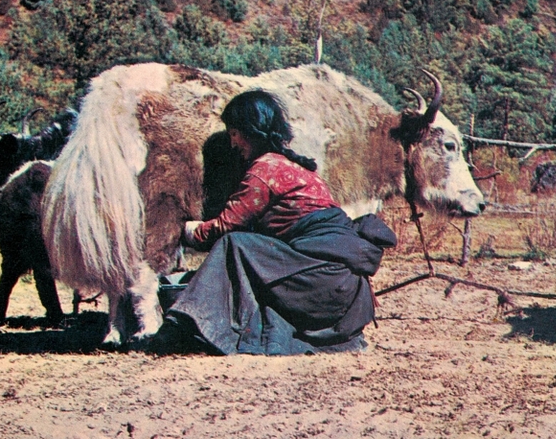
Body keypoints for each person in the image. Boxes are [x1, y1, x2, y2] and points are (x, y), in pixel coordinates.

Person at [159, 89, 396, 355]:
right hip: (346, 293)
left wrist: (186, 231)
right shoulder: (299, 169)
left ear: (250, 132)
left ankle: (179, 326)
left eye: (234, 133)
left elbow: (226, 226)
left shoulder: (264, 171)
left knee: (234, 244)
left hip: (322, 286)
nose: (233, 143)